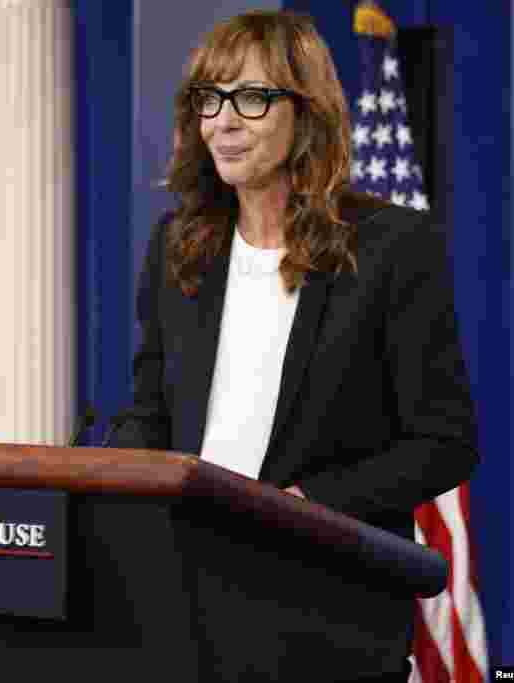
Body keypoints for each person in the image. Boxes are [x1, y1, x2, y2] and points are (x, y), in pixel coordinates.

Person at [111, 10, 478, 681]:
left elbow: (446, 439)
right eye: (208, 99)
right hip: (189, 605)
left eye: (251, 98)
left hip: (326, 613)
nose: (222, 121)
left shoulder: (393, 247)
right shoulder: (177, 247)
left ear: (306, 113)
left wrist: (305, 506)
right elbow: (152, 416)